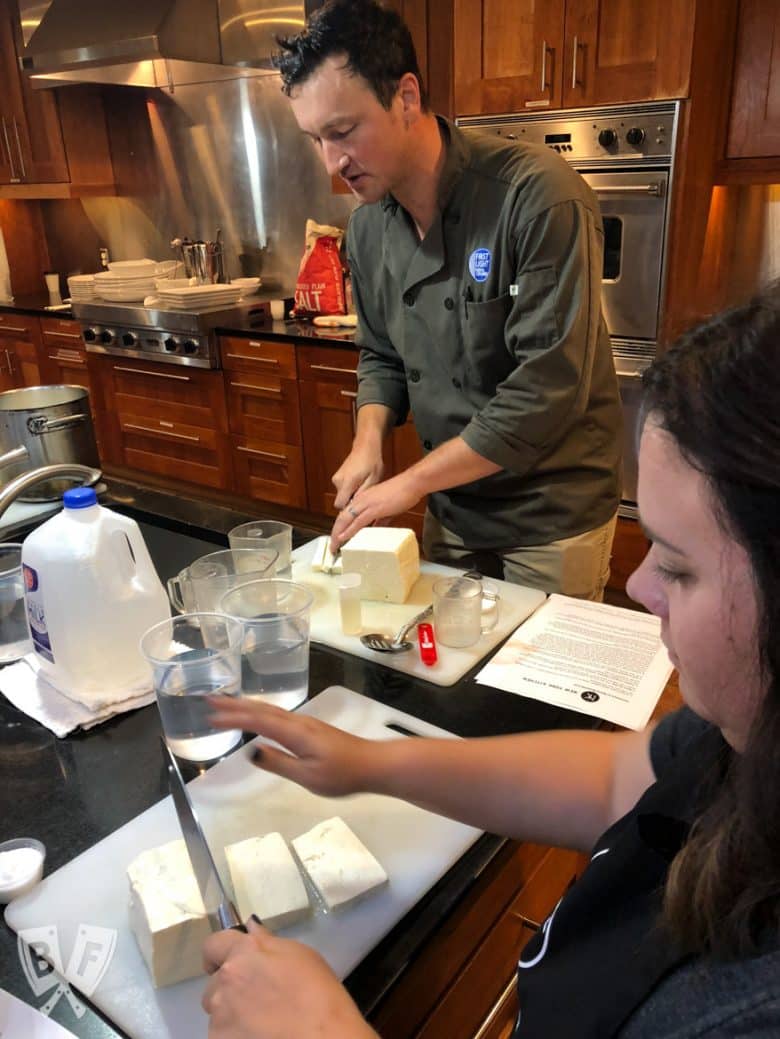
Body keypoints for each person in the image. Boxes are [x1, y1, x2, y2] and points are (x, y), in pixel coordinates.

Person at [201, 290, 780, 1036]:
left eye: (675, 567)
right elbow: (613, 778)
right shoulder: (741, 732)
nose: (636, 587)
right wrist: (371, 763)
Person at [274, 0, 622, 600]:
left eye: (343, 131)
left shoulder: (537, 198)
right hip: (453, 511)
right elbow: (381, 355)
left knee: (533, 693)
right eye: (316, 139)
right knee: (448, 679)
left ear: (406, 97)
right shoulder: (367, 228)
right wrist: (367, 445)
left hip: (549, 521)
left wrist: (408, 485)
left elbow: (546, 391)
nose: (333, 162)